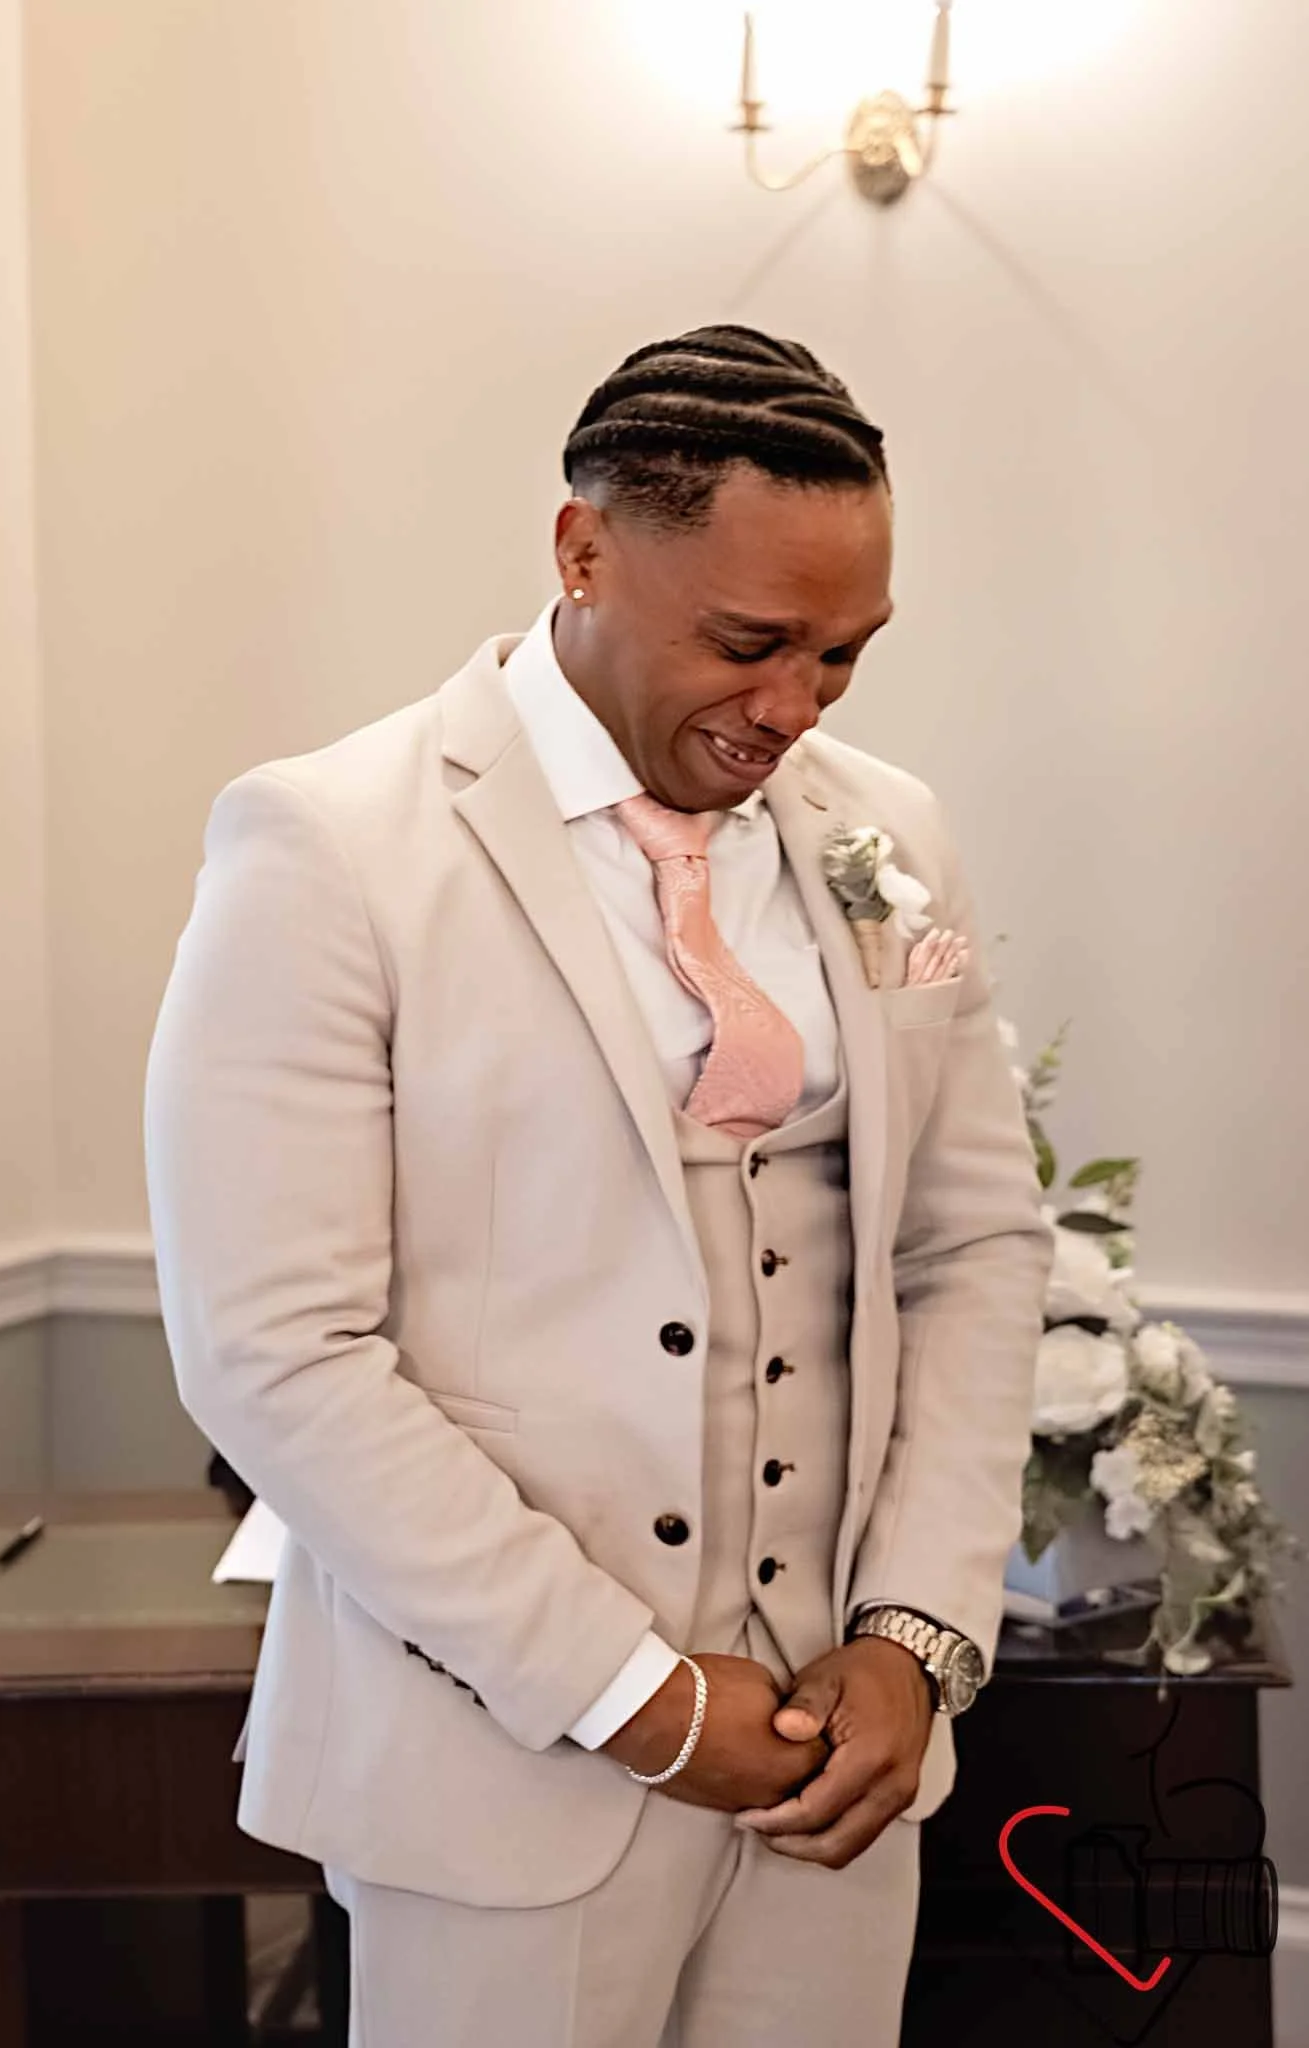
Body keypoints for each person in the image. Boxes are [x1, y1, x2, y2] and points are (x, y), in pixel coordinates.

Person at [144, 323, 1051, 2046]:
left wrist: (915, 1638)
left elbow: (972, 1249)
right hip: (497, 1774)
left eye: (844, 659)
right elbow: (279, 1350)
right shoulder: (330, 845)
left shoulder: (891, 834)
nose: (792, 709)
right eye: (749, 645)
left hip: (835, 1767)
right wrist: (630, 1693)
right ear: (581, 549)